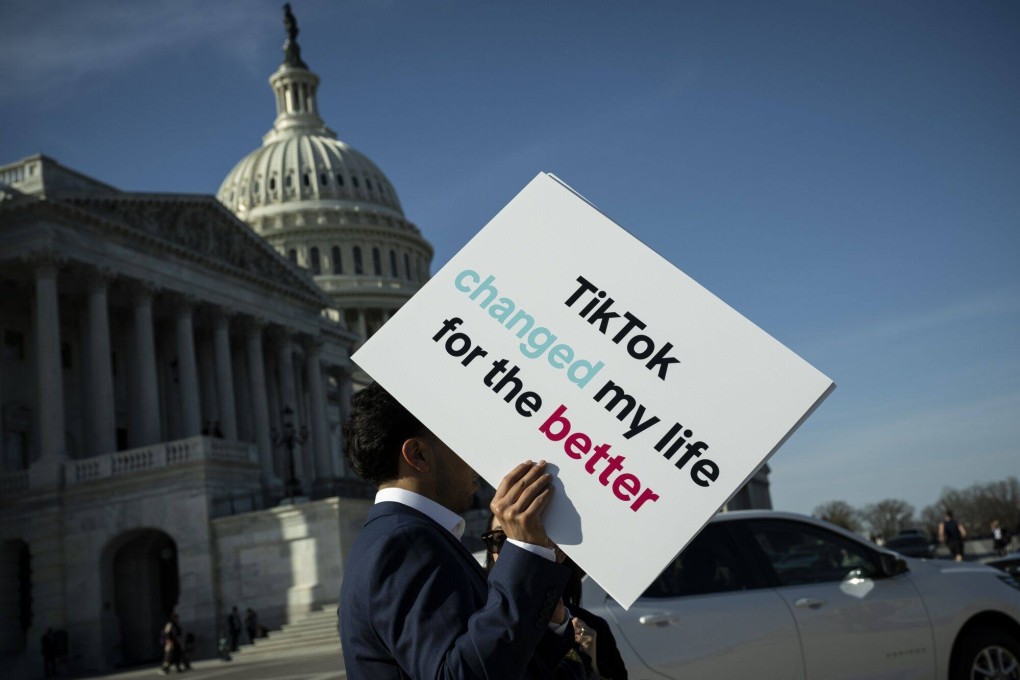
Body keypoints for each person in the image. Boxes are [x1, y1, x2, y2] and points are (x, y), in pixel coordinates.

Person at [338, 382, 574, 679]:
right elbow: (458, 674)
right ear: (418, 454)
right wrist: (525, 553)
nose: (475, 458)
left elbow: (493, 659)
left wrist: (550, 617)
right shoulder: (404, 542)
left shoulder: (401, 535)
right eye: (459, 440)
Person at [483, 515, 628, 680]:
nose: (515, 551)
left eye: (528, 536)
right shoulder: (474, 621)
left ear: (558, 551)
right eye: (501, 539)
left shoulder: (591, 627)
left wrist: (589, 664)